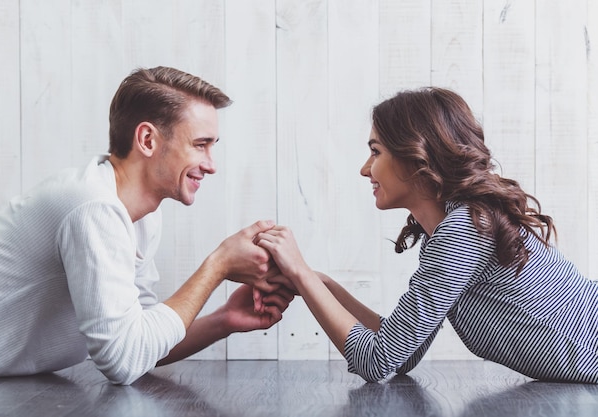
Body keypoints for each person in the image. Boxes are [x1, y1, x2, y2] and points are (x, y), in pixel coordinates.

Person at [0, 66, 293, 385]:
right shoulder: (93, 207)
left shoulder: (139, 215)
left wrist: (223, 320)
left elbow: (140, 342)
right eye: (200, 144)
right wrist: (217, 265)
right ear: (148, 139)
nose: (211, 165)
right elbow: (123, 361)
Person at [255, 87, 598, 384]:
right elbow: (401, 354)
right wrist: (320, 284)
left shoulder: (463, 232)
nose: (364, 169)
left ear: (416, 156)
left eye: (375, 151)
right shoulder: (450, 234)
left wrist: (300, 272)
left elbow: (376, 361)